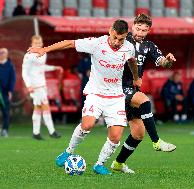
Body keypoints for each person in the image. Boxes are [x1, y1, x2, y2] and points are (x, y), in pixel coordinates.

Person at [28, 20, 141, 174]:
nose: (116, 42)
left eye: (121, 39)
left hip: (116, 97)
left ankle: (99, 164)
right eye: (115, 37)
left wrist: (136, 77)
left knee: (115, 136)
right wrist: (45, 49)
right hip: (96, 93)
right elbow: (69, 43)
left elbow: (132, 61)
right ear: (110, 31)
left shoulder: (129, 47)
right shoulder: (96, 44)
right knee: (87, 125)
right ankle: (68, 151)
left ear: (126, 36)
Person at [110, 14, 176, 174]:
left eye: (144, 30)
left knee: (138, 134)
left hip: (132, 90)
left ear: (148, 31)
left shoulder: (149, 46)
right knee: (145, 101)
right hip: (117, 87)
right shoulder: (123, 40)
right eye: (138, 28)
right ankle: (157, 141)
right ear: (133, 26)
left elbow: (163, 63)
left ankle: (118, 164)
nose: (140, 32)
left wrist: (169, 60)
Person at [22, 35, 62, 140]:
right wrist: (29, 86)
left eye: (40, 43)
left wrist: (54, 68)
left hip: (42, 84)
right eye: (36, 43)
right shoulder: (29, 56)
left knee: (38, 108)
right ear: (32, 44)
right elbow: (24, 72)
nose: (38, 45)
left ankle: (36, 133)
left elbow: (41, 67)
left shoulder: (43, 53)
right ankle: (52, 131)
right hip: (35, 86)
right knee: (45, 106)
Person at [0, 48, 16, 137]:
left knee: (5, 112)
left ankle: (5, 130)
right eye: (0, 53)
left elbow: (12, 79)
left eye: (3, 53)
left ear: (7, 54)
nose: (1, 54)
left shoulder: (10, 66)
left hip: (5, 92)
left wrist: (10, 90)